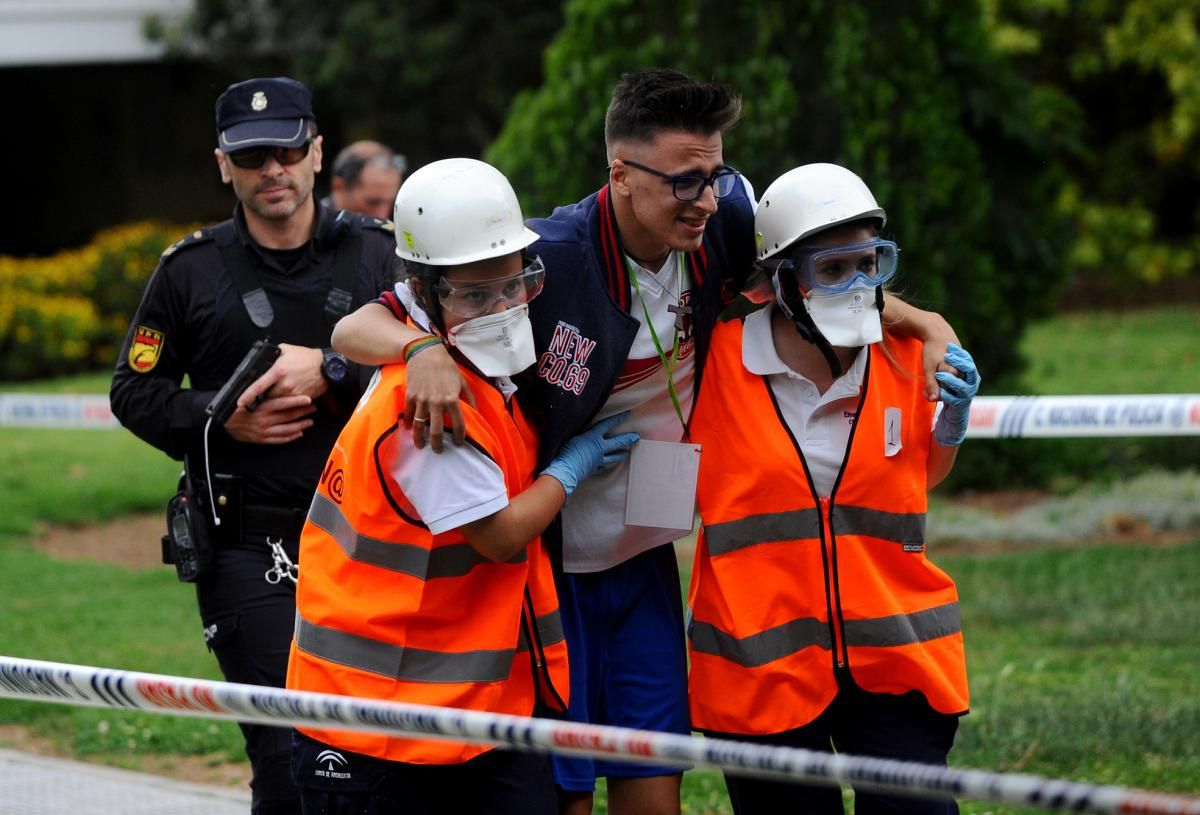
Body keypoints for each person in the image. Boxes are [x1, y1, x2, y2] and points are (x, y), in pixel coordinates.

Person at [331, 70, 959, 815]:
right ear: (622, 175)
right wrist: (419, 351)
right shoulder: (554, 253)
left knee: (653, 789)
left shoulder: (722, 218)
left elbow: (827, 276)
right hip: (550, 558)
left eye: (716, 174)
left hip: (645, 552)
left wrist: (927, 326)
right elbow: (351, 328)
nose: (706, 198)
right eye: (685, 182)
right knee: (564, 797)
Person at [286, 157, 639, 815]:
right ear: (425, 291)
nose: (504, 308)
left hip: (463, 710)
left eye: (515, 286)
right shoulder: (426, 409)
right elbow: (500, 536)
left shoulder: (475, 372)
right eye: (477, 296)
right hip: (376, 724)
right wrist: (570, 469)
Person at [110, 76, 395, 815]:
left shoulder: (379, 256)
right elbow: (132, 391)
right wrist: (219, 415)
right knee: (287, 749)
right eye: (252, 155)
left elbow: (439, 356)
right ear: (223, 164)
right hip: (249, 546)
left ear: (316, 152)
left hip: (374, 542)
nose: (273, 169)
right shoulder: (189, 271)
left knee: (376, 749)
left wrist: (333, 369)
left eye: (288, 150)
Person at [686, 163, 980, 814]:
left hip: (895, 654)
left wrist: (951, 424)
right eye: (834, 268)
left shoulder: (907, 356)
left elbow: (915, 478)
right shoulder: (718, 365)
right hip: (762, 667)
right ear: (782, 280)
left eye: (871, 261)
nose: (860, 284)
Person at [324, 140, 406, 220]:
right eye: (373, 203)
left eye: (392, 204)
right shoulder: (312, 229)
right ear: (339, 187)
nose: (383, 216)